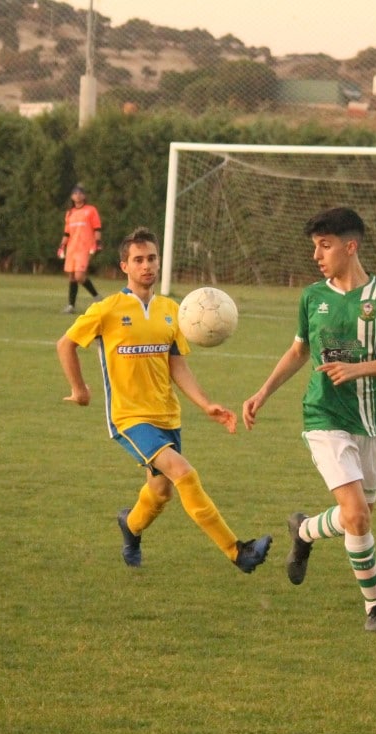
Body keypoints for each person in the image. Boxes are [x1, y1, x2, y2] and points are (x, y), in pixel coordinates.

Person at [243, 207, 376, 632]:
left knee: (359, 517)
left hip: (370, 421)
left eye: (325, 246)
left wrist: (358, 368)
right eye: (315, 247)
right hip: (323, 416)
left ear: (350, 246)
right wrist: (263, 392)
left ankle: (304, 530)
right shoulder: (312, 297)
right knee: (357, 515)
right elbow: (299, 350)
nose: (317, 255)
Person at [56, 226, 272, 574]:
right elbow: (65, 344)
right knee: (183, 473)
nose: (147, 266)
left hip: (167, 417)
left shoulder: (174, 311)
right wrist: (80, 389)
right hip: (129, 418)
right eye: (138, 260)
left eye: (152, 258)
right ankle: (237, 551)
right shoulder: (107, 309)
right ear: (124, 266)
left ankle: (131, 525)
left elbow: (177, 365)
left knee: (160, 492)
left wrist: (205, 404)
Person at [58, 184, 102, 312]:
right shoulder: (70, 213)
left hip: (85, 247)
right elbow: (67, 232)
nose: (78, 195)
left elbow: (97, 228)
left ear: (84, 196)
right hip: (72, 248)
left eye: (80, 193)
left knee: (79, 276)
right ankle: (71, 305)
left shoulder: (91, 210)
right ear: (72, 196)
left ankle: (96, 296)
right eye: (75, 193)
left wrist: (98, 242)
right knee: (72, 276)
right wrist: (62, 246)